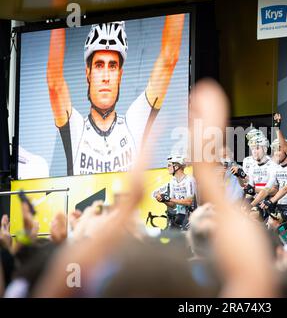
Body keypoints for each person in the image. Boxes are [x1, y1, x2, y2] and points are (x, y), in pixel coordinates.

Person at [47, 15, 185, 175]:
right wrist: (57, 10)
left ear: (120, 74)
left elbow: (169, 59)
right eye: (99, 65)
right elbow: (54, 84)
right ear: (88, 73)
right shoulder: (77, 130)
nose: (105, 76)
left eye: (112, 66)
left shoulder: (133, 125)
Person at [254, 138, 287, 223]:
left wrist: (270, 201)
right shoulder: (276, 168)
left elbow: (285, 189)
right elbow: (267, 189)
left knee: (274, 226)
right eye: (274, 151)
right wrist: (252, 204)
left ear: (286, 151)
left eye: (278, 150)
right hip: (279, 206)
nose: (276, 153)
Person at [155, 154, 196, 230]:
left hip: (191, 217)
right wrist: (163, 200)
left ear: (176, 167)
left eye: (169, 165)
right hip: (180, 216)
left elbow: (189, 202)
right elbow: (173, 205)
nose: (167, 167)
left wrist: (168, 198)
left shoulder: (189, 180)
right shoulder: (173, 181)